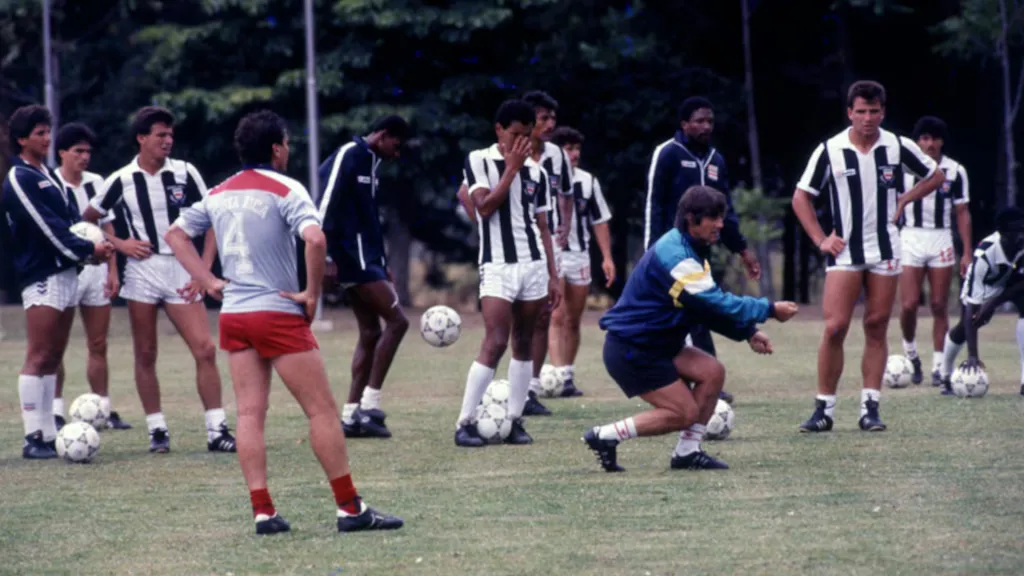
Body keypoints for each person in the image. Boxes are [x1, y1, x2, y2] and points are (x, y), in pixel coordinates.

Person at [165, 110, 402, 535]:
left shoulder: (219, 192)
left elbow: (174, 235)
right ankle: (350, 509)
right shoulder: (286, 187)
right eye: (287, 143)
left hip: (235, 314)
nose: (288, 150)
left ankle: (263, 511)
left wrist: (207, 281)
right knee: (322, 412)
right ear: (276, 149)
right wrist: (311, 294)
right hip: (276, 312)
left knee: (250, 416)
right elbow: (315, 238)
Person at [585, 186, 798, 472]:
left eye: (721, 217)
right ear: (690, 218)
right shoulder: (678, 257)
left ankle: (687, 452)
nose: (721, 225)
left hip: (658, 344)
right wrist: (769, 309)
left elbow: (704, 309)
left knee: (712, 372)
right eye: (713, 218)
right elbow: (716, 302)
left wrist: (747, 332)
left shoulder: (692, 250)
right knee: (684, 413)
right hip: (633, 348)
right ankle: (604, 436)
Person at [791, 81, 945, 433]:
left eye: (874, 111)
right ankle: (823, 409)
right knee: (835, 327)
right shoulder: (831, 149)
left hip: (886, 250)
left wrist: (906, 199)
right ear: (849, 113)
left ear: (883, 112)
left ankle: (870, 408)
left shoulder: (897, 146)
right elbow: (801, 197)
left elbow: (935, 176)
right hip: (845, 252)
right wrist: (820, 239)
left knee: (876, 325)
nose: (868, 118)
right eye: (861, 111)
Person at [83, 106, 234, 454]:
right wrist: (120, 244)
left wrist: (203, 271)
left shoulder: (185, 172)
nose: (167, 141)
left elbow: (212, 218)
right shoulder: (121, 179)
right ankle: (158, 430)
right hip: (143, 271)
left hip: (182, 268)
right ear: (141, 138)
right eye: (160, 135)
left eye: (170, 135)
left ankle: (217, 430)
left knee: (205, 349)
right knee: (146, 352)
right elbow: (88, 220)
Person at [1, 105, 113, 459]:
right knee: (37, 355)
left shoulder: (47, 174)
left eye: (49, 132)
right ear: (22, 139)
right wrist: (87, 249)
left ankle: (49, 434)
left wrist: (90, 250)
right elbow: (46, 227)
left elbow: (67, 220)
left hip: (65, 271)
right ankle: (32, 437)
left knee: (52, 355)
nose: (47, 139)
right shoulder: (21, 177)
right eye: (39, 133)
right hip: (42, 273)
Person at [454, 98, 562, 447]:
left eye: (527, 137)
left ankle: (515, 420)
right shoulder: (478, 160)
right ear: (498, 130)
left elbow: (543, 227)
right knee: (496, 339)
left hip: (533, 265)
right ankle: (464, 423)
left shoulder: (539, 173)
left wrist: (553, 274)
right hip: (497, 264)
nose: (522, 143)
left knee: (524, 342)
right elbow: (483, 207)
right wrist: (511, 168)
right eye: (515, 134)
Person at [643, 96, 760, 404]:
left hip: (700, 253)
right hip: (668, 255)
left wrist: (742, 249)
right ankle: (668, 381)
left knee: (701, 311)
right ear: (684, 124)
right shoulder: (668, 153)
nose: (706, 126)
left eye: (710, 120)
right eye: (699, 121)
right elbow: (653, 205)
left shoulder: (715, 161)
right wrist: (650, 253)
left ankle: (708, 380)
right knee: (675, 317)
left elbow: (727, 211)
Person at [318, 115, 411, 439]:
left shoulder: (372, 163)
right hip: (348, 257)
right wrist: (325, 256)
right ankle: (370, 405)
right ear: (383, 135)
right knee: (399, 322)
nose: (397, 154)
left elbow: (369, 220)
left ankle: (350, 416)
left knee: (371, 332)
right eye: (396, 146)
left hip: (367, 259)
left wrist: (382, 262)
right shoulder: (349, 155)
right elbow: (324, 203)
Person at [52, 123, 131, 430]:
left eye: (88, 151)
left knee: (98, 344)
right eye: (78, 151)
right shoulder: (49, 182)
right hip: (66, 270)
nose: (84, 157)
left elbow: (107, 229)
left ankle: (103, 409)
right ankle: (55, 412)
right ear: (62, 153)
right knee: (55, 345)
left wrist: (113, 271)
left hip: (97, 270)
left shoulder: (97, 182)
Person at [898, 116, 972, 386]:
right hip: (910, 237)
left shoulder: (955, 171)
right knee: (908, 304)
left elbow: (962, 212)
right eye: (924, 138)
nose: (929, 144)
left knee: (939, 304)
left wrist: (967, 252)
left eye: (934, 138)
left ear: (941, 141)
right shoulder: (905, 169)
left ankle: (939, 366)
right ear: (918, 141)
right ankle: (911, 354)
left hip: (941, 238)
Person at [545, 126, 615, 396]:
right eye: (568, 149)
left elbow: (600, 221)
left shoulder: (588, 182)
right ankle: (555, 375)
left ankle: (568, 376)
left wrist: (607, 257)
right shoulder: (545, 177)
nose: (573, 154)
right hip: (553, 253)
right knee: (557, 315)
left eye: (576, 149)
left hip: (580, 255)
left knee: (573, 319)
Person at [938, 208, 1024, 395]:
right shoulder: (985, 254)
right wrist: (973, 356)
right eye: (1015, 232)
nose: (1020, 236)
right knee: (968, 325)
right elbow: (971, 309)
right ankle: (945, 374)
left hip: (1009, 282)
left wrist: (994, 304)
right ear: (1002, 234)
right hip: (983, 285)